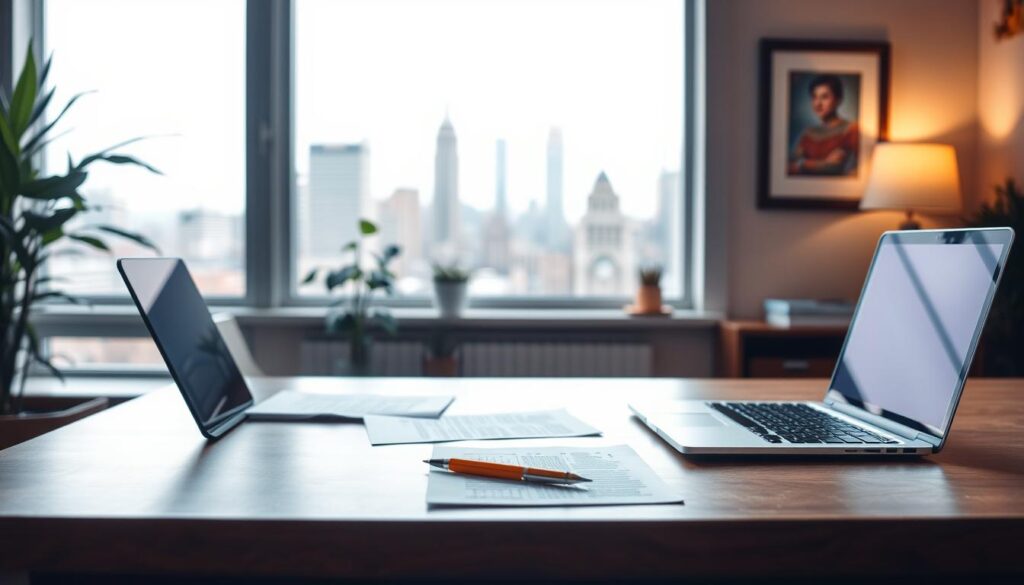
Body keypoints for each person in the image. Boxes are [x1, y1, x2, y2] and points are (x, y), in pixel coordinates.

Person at [788, 74, 859, 176]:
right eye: (814, 97)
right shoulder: (808, 134)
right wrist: (824, 163)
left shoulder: (851, 130)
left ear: (838, 100)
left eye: (824, 97)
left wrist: (803, 165)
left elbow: (841, 169)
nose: (817, 103)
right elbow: (790, 167)